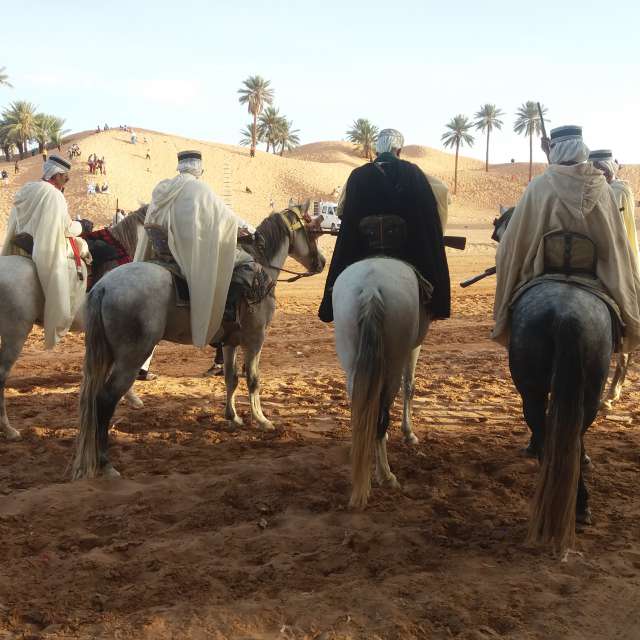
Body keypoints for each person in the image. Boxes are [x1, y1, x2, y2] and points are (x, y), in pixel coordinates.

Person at [493, 126, 640, 352]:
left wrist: (508, 258)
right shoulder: (602, 188)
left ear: (555, 151)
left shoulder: (538, 186)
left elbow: (516, 240)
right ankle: (627, 330)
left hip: (543, 268)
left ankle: (504, 322)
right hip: (594, 272)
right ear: (581, 149)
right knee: (628, 282)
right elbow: (615, 242)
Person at [318, 128, 451, 323]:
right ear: (398, 150)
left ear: (377, 150)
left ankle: (330, 304)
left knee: (339, 268)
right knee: (432, 260)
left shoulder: (358, 175)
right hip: (405, 251)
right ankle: (438, 304)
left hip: (363, 250)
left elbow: (343, 212)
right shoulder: (413, 173)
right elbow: (427, 212)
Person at [134, 150, 255, 348]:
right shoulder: (199, 189)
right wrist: (250, 228)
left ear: (180, 166)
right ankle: (227, 318)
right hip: (188, 255)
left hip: (163, 253)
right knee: (244, 264)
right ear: (198, 168)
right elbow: (227, 218)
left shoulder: (162, 188)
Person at [0, 156, 90, 349]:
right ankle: (72, 309)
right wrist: (81, 226)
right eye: (66, 178)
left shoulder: (27, 189)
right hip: (46, 245)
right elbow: (64, 229)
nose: (66, 182)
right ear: (57, 175)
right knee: (86, 253)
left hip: (25, 245)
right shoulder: (53, 195)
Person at [589, 149, 638, 260]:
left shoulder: (619, 191)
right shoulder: (594, 189)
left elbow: (619, 225)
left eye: (602, 169)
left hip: (617, 246)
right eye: (595, 169)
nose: (599, 173)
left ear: (609, 168)